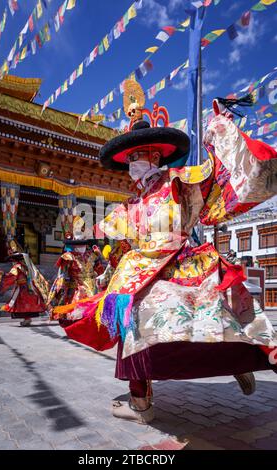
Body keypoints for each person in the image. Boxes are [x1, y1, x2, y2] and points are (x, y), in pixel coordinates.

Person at [61, 80, 277, 424]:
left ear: (156, 155)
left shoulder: (179, 181)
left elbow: (216, 177)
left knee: (216, 306)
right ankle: (141, 396)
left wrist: (218, 128)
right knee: (129, 316)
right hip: (139, 271)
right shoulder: (129, 204)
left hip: (181, 263)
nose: (133, 164)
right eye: (129, 159)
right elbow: (107, 234)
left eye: (138, 157)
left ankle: (244, 360)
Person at [48, 216, 105, 326]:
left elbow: (101, 272)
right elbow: (62, 275)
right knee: (77, 312)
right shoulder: (68, 257)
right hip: (77, 288)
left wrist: (101, 258)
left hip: (93, 288)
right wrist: (57, 290)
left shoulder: (93, 255)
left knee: (94, 311)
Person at [0, 240, 49, 326]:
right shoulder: (25, 267)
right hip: (29, 287)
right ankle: (27, 319)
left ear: (15, 260)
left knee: (21, 304)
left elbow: (11, 276)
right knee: (28, 304)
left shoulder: (16, 267)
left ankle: (27, 319)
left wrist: (0, 274)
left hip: (22, 289)